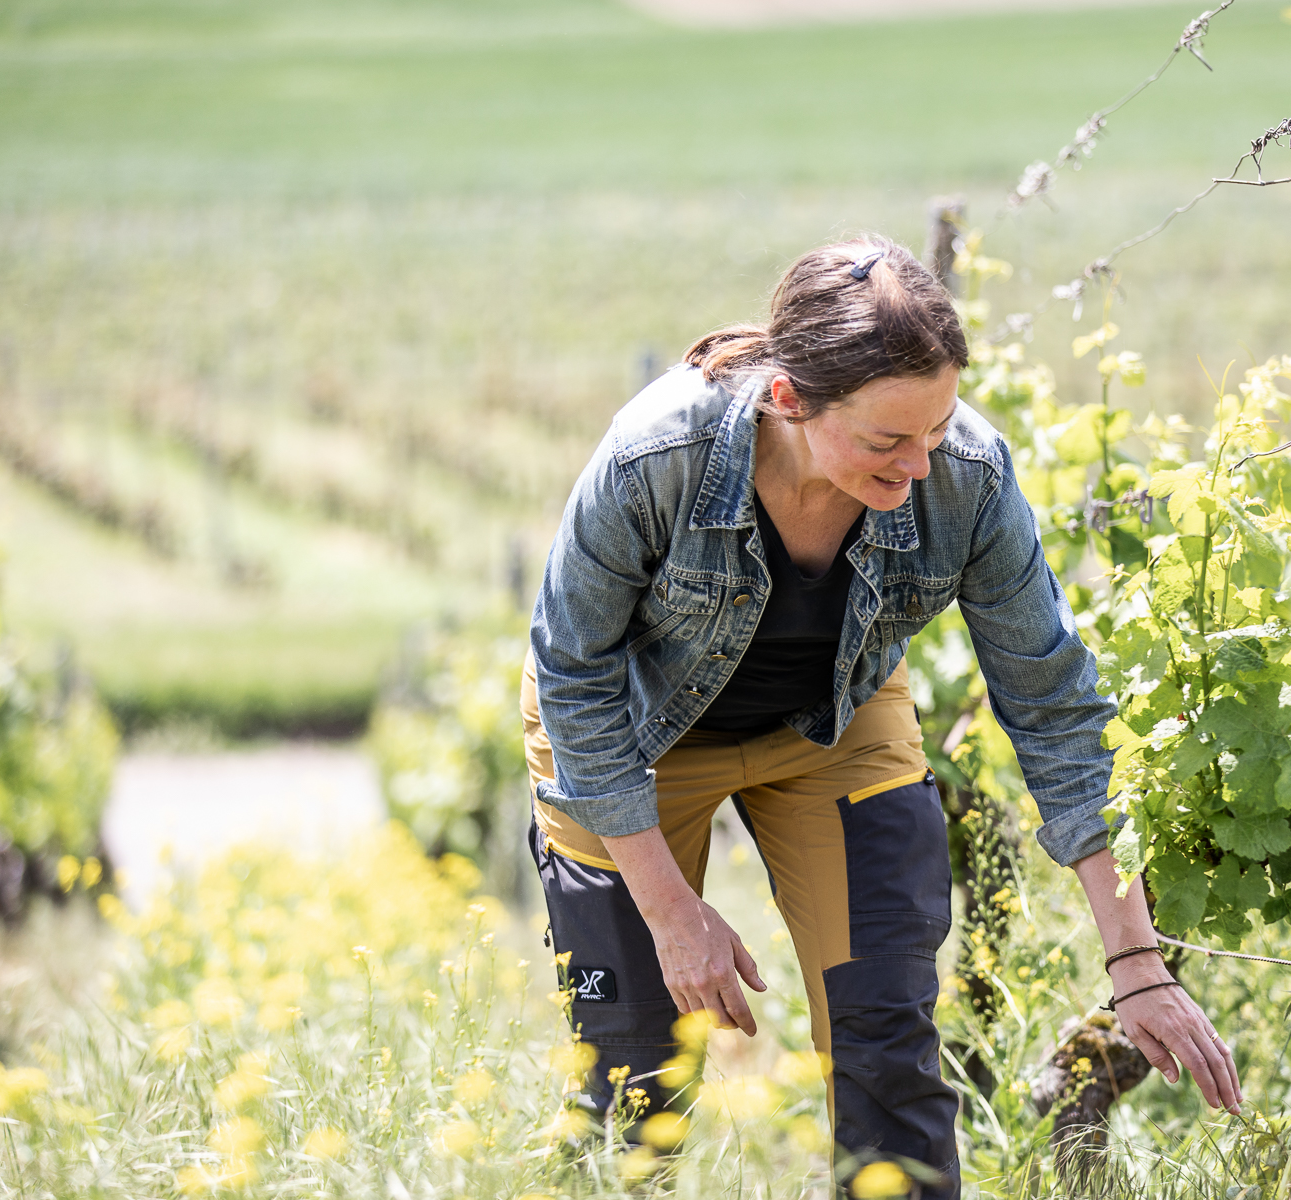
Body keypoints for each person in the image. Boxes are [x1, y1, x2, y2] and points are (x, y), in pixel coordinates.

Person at [521, 234, 1241, 1197]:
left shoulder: (968, 477)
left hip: (834, 727)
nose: (916, 470)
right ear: (789, 400)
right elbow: (571, 670)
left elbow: (1054, 702)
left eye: (934, 433)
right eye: (884, 443)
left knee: (886, 1050)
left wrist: (1137, 963)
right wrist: (671, 911)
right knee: (634, 1092)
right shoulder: (658, 456)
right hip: (630, 735)